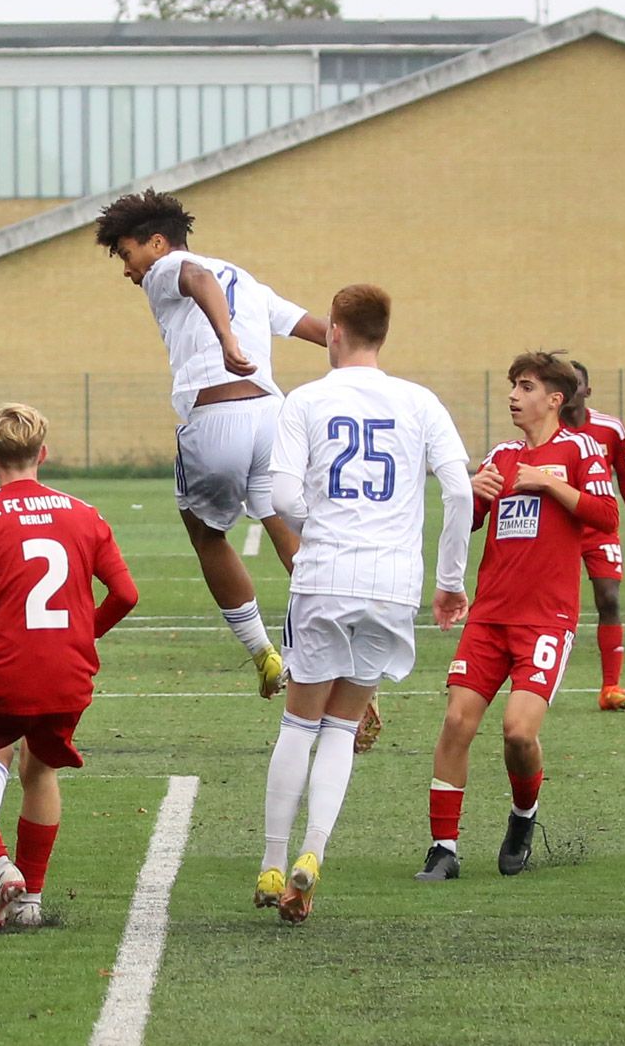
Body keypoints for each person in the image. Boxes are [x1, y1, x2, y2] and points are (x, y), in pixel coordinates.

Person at [257, 285, 472, 922]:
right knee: (344, 728)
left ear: (335, 333)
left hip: (325, 574)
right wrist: (452, 578)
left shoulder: (306, 400)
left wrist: (323, 524)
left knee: (299, 723)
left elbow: (283, 494)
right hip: (393, 584)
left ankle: (273, 861)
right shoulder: (420, 401)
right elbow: (459, 492)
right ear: (383, 334)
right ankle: (312, 857)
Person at [95, 189, 326, 697]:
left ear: (157, 243)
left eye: (127, 253)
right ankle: (330, 640)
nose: (128, 270)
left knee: (206, 535)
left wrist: (227, 341)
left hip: (216, 415)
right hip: (273, 414)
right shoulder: (244, 277)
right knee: (281, 521)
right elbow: (318, 329)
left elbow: (195, 280)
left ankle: (263, 652)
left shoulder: (169, 269)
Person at [417, 352, 618, 882]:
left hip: (546, 620)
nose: (513, 395)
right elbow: (472, 520)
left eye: (524, 386)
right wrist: (474, 496)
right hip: (489, 616)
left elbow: (604, 514)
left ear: (554, 399)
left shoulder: (581, 450)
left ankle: (523, 818)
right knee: (457, 721)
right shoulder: (502, 455)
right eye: (512, 385)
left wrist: (550, 483)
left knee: (517, 734)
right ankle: (443, 849)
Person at [0, 403, 138, 931]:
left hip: (3, 673)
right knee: (40, 767)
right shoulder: (85, 514)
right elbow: (126, 593)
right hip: (68, 673)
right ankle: (29, 899)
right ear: (42, 454)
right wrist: (83, 631)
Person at [567, 361, 625, 711]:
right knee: (556, 606)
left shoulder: (610, 429)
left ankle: (611, 687)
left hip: (600, 528)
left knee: (609, 598)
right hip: (561, 531)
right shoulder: (545, 430)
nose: (569, 390)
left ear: (587, 390)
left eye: (575, 383)